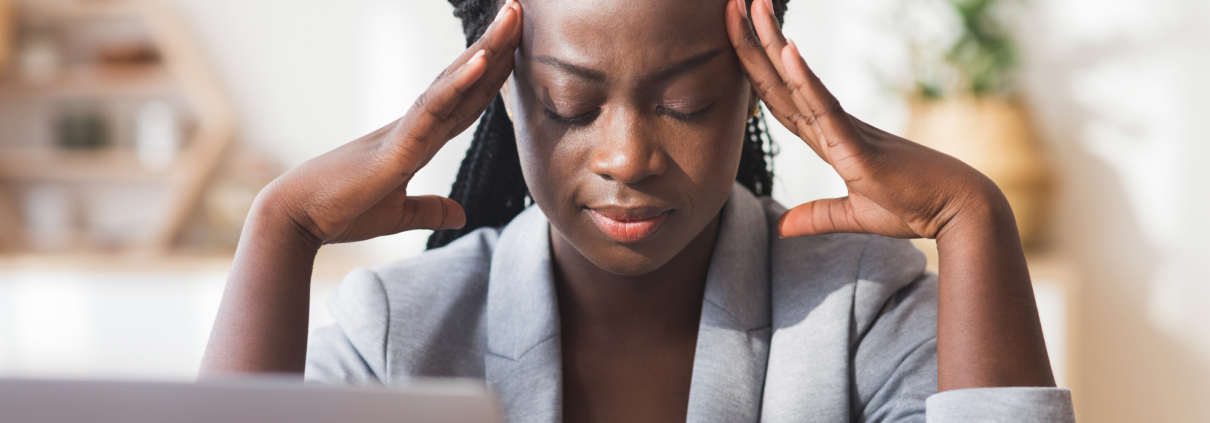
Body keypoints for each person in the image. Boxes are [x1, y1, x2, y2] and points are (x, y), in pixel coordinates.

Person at [200, 0, 1076, 421]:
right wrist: (281, 229)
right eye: (571, 105)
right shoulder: (397, 331)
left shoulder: (862, 312)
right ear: (499, 93)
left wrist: (974, 216)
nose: (627, 157)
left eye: (688, 100)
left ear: (756, 85)